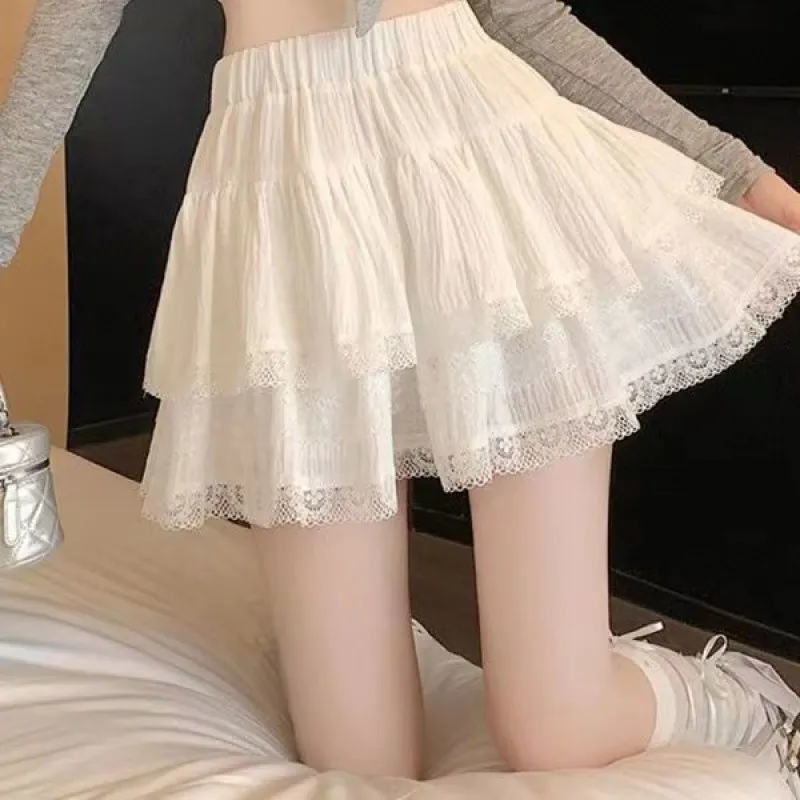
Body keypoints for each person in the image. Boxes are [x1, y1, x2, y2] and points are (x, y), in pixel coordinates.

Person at [2, 0, 800, 789]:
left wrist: (745, 178)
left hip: (479, 187)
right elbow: (67, 35)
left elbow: (521, 16)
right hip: (285, 212)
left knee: (557, 729)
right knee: (356, 761)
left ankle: (742, 700)